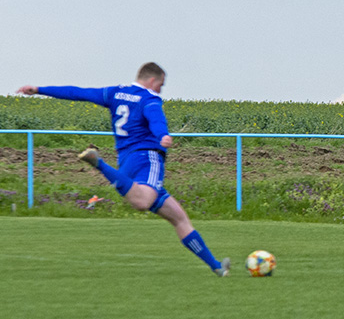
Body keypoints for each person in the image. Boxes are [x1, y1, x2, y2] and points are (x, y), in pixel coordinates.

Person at [17, 62, 231, 276]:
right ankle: (98, 163)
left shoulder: (114, 93)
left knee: (179, 218)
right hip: (148, 158)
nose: (160, 90)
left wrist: (39, 90)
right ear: (152, 81)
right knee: (142, 202)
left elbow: (78, 92)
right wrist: (162, 135)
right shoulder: (149, 98)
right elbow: (155, 117)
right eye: (161, 85)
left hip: (127, 164)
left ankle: (217, 267)